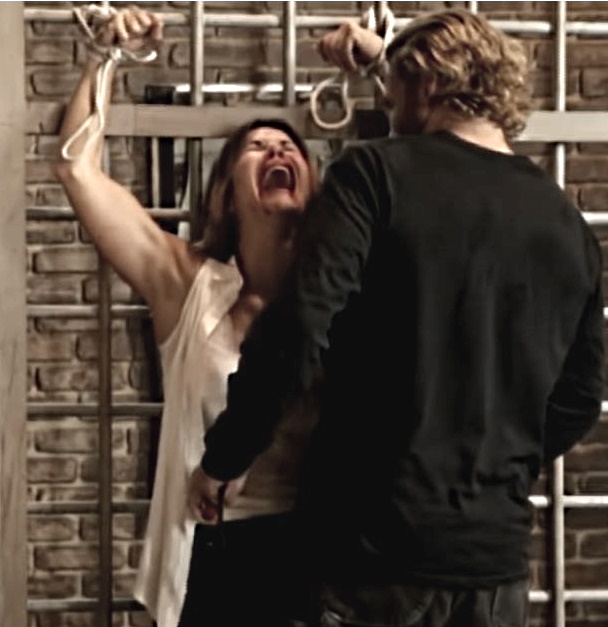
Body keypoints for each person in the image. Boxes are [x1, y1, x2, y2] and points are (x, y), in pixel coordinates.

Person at [191, 8, 604, 627]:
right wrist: (493, 456)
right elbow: (580, 396)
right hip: (494, 565)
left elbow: (302, 323)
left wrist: (229, 454)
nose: (387, 108)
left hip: (372, 554)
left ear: (427, 82)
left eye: (391, 92)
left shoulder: (375, 174)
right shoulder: (567, 224)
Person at [54, 7, 319, 627]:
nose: (278, 150)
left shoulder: (339, 297)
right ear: (226, 194)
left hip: (314, 556)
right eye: (257, 147)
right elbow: (77, 170)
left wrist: (378, 67)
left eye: (289, 146)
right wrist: (106, 56)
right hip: (210, 553)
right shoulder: (189, 284)